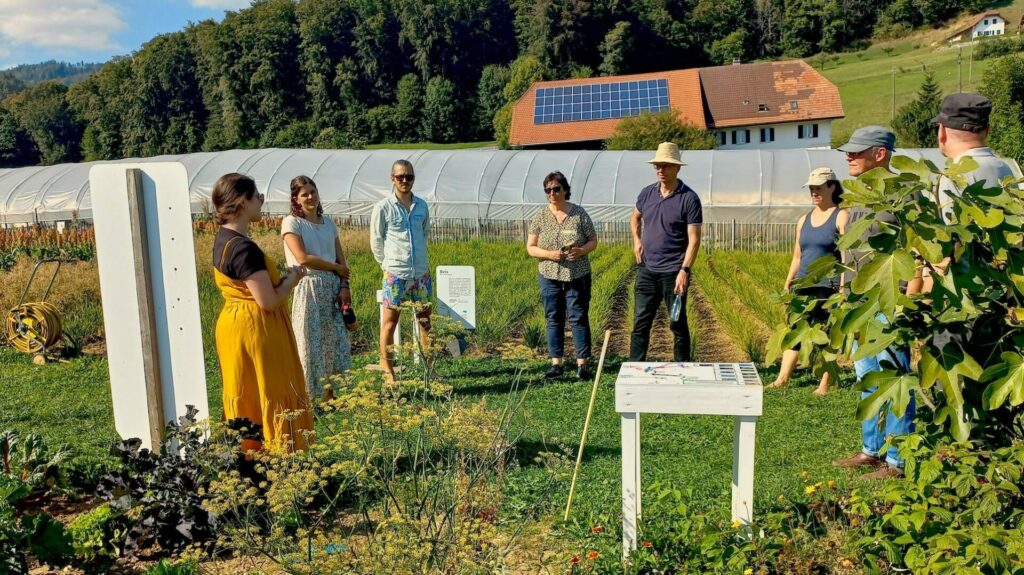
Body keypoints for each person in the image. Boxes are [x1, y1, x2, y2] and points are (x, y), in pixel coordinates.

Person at [831, 126, 914, 479]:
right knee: (867, 376)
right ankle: (871, 450)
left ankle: (896, 458)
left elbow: (916, 248)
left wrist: (912, 296)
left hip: (889, 299)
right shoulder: (857, 196)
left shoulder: (904, 194)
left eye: (857, 151)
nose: (849, 156)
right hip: (860, 301)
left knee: (894, 377)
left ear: (880, 154)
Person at [211, 173, 314, 453]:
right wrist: (291, 281)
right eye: (258, 197)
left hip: (234, 325)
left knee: (245, 392)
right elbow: (267, 301)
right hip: (257, 329)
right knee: (270, 389)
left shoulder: (223, 239)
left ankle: (245, 455)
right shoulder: (244, 248)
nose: (261, 202)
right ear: (243, 202)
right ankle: (276, 457)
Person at [769, 167, 849, 394]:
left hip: (828, 287)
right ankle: (782, 378)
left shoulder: (841, 216)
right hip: (803, 285)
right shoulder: (803, 219)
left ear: (832, 187)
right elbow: (797, 255)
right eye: (811, 189)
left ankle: (825, 383)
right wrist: (788, 282)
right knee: (796, 331)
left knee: (827, 336)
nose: (814, 192)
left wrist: (843, 287)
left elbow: (845, 256)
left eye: (818, 188)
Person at [629, 142, 703, 362]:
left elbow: (694, 239)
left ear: (677, 168)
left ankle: (682, 367)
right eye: (658, 166)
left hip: (674, 272)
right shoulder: (647, 193)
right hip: (647, 269)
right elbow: (635, 216)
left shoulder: (689, 198)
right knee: (641, 321)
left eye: (666, 166)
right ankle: (635, 368)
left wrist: (685, 270)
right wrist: (636, 240)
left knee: (677, 321)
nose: (661, 170)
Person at [281, 175, 352, 400]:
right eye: (304, 194)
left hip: (332, 287)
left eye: (313, 192)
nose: (310, 197)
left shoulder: (328, 223)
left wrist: (344, 284)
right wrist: (334, 267)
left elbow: (342, 262)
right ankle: (311, 396)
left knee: (335, 341)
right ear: (296, 198)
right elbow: (302, 257)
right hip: (308, 285)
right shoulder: (292, 222)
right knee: (310, 342)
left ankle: (333, 394)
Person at [526, 172, 599, 380]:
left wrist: (582, 251)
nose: (552, 193)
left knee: (578, 317)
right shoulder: (540, 216)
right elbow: (530, 247)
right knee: (553, 318)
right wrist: (550, 254)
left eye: (556, 189)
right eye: (548, 190)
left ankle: (582, 364)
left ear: (565, 190)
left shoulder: (578, 214)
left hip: (577, 274)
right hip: (549, 274)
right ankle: (556, 364)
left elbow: (593, 240)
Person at [370, 159, 431, 382]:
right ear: (392, 179)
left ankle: (428, 369)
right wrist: (387, 266)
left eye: (409, 177)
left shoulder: (422, 206)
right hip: (396, 274)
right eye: (400, 177)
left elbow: (424, 233)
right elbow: (376, 241)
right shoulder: (383, 207)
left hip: (421, 274)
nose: (405, 181)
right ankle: (388, 369)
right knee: (390, 322)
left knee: (425, 321)